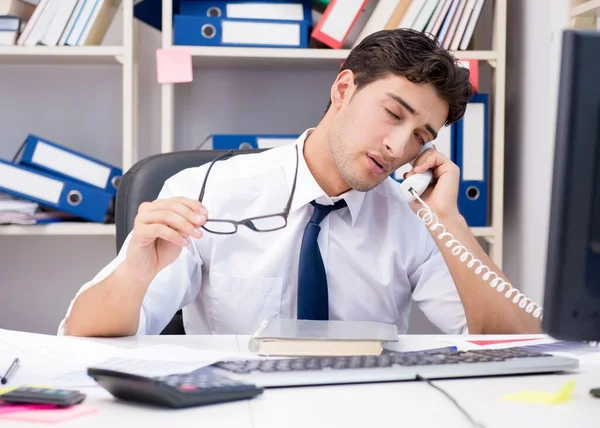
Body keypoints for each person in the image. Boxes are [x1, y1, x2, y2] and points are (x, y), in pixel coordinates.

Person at [59, 29, 541, 337]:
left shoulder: (415, 217)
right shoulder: (206, 190)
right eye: (393, 113)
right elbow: (78, 337)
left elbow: (519, 344)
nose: (398, 147)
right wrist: (136, 272)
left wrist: (450, 223)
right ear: (343, 88)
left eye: (421, 136)